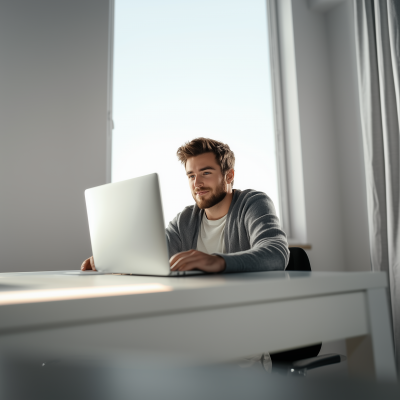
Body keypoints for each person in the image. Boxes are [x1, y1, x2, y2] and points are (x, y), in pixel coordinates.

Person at [81, 137, 289, 273]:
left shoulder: (253, 203)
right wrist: (112, 262)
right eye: (191, 175)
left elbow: (276, 252)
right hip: (199, 308)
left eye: (206, 173)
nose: (197, 183)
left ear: (229, 175)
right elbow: (152, 256)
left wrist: (217, 261)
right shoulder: (186, 219)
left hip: (245, 308)